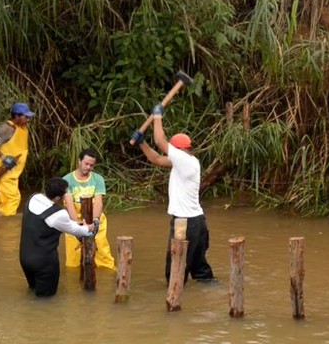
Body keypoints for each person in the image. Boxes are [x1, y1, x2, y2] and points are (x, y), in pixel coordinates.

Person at [132, 103, 215, 284]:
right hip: (197, 221)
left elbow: (160, 141)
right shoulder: (185, 162)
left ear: (179, 150)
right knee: (198, 266)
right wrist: (141, 143)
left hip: (184, 222)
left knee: (175, 266)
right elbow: (156, 158)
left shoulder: (185, 160)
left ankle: (174, 300)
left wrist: (157, 117)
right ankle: (209, 294)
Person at [20, 177, 95, 297]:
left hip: (25, 258)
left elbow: (66, 224)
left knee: (33, 290)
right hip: (44, 264)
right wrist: (89, 228)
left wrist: (76, 224)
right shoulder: (58, 214)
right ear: (58, 198)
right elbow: (75, 230)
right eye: (66, 193)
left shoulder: (33, 198)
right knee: (45, 301)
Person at [63, 148, 116, 270]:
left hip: (94, 218)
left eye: (91, 165)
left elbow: (98, 202)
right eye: (86, 164)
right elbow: (69, 203)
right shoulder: (67, 180)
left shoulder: (98, 179)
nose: (88, 167)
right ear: (79, 161)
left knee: (102, 249)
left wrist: (95, 221)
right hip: (74, 218)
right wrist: (77, 225)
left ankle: (107, 271)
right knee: (73, 259)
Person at [0, 102, 35, 216]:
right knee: (13, 198)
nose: (28, 119)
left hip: (13, 172)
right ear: (16, 116)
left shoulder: (22, 128)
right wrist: (4, 157)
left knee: (5, 197)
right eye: (26, 116)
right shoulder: (6, 128)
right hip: (4, 170)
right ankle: (6, 226)